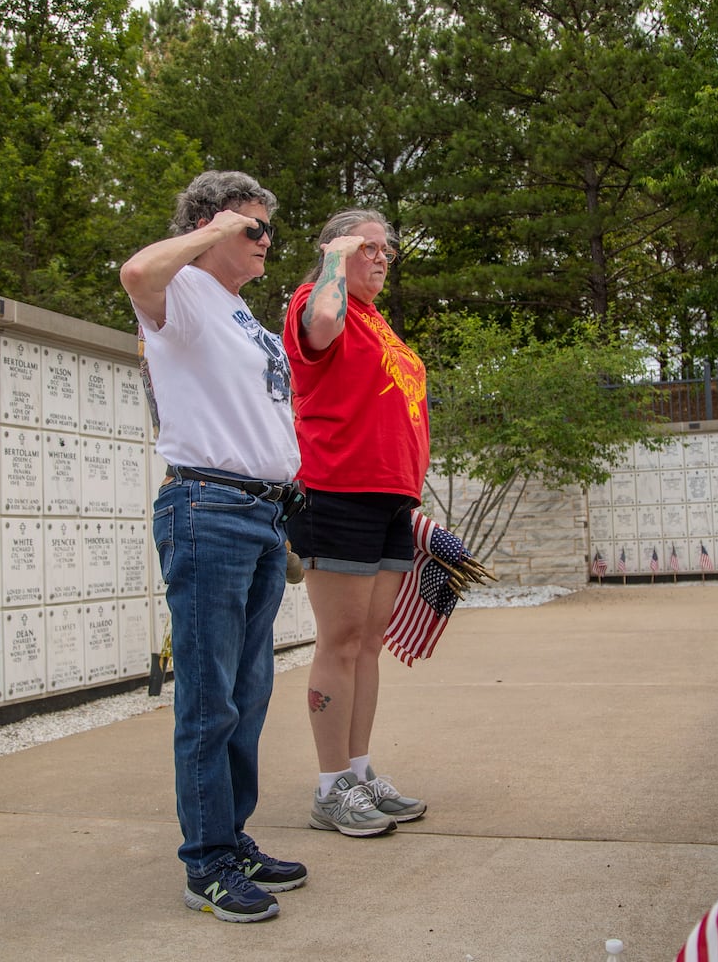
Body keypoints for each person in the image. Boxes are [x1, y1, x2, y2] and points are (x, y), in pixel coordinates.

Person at [120, 170, 306, 922]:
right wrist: (213, 230)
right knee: (209, 700)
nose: (266, 242)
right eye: (254, 229)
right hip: (209, 509)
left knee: (249, 693)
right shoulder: (185, 296)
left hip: (263, 517)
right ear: (217, 226)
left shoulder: (240, 317)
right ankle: (206, 866)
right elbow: (136, 271)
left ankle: (231, 838)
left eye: (266, 230)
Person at [282, 209, 431, 837]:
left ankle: (360, 771)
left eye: (385, 249)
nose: (380, 257)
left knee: (369, 643)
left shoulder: (379, 325)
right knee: (339, 641)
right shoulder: (317, 301)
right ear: (335, 251)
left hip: (389, 499)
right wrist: (335, 262)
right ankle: (329, 786)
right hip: (336, 491)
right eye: (366, 247)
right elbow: (320, 328)